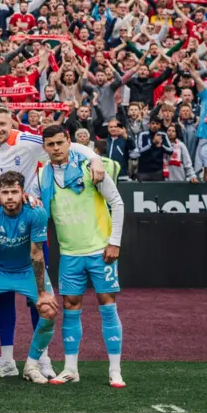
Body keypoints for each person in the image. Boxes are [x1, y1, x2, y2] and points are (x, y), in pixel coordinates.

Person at [0, 104, 102, 379]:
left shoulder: (28, 141)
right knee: (2, 298)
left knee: (38, 298)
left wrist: (95, 158)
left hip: (30, 219)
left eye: (3, 124)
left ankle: (41, 359)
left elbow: (64, 147)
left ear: (12, 122)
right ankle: (5, 360)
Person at [39, 125, 126, 388]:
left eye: (59, 142)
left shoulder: (91, 168)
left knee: (107, 305)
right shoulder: (43, 175)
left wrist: (114, 243)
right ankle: (70, 368)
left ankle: (114, 369)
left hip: (100, 250)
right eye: (50, 144)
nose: (55, 148)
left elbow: (117, 203)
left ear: (68, 142)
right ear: (44, 148)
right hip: (69, 254)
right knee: (70, 307)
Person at [0, 170, 58, 384]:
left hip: (26, 269)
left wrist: (42, 292)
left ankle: (32, 365)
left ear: (22, 192)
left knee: (49, 309)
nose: (9, 197)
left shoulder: (36, 212)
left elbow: (36, 254)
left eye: (14, 192)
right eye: (5, 192)